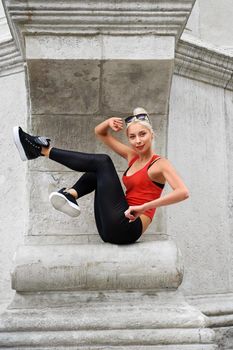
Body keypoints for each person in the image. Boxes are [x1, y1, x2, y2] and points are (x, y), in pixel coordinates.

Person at [13, 107, 189, 245]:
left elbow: (182, 192)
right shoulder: (132, 157)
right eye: (132, 137)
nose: (138, 141)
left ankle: (41, 150)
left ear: (152, 134)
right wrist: (108, 123)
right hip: (107, 229)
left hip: (128, 228)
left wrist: (144, 207)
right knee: (97, 171)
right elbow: (100, 133)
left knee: (103, 162)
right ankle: (71, 195)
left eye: (142, 134)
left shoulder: (160, 163)